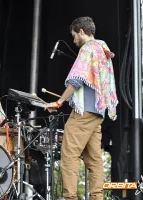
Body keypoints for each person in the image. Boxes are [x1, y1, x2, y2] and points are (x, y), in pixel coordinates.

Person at [46, 17, 118, 200]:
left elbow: (76, 79)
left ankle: (69, 197)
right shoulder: (103, 48)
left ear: (81, 32)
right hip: (98, 111)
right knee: (94, 161)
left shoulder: (88, 48)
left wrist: (60, 101)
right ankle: (97, 197)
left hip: (84, 111)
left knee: (69, 155)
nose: (73, 41)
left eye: (74, 36)